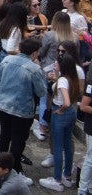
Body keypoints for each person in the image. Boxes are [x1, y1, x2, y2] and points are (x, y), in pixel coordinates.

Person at [0, 37, 46, 181]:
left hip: (3, 105)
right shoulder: (34, 69)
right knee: (18, 140)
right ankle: (13, 168)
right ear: (34, 53)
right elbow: (41, 92)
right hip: (22, 110)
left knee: (4, 135)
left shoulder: (7, 60)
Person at [40, 53, 81, 191]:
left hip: (61, 113)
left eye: (57, 62)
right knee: (68, 144)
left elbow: (67, 102)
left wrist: (61, 110)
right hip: (71, 114)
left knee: (58, 147)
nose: (55, 64)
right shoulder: (71, 78)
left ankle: (57, 179)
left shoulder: (63, 80)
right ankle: (67, 176)